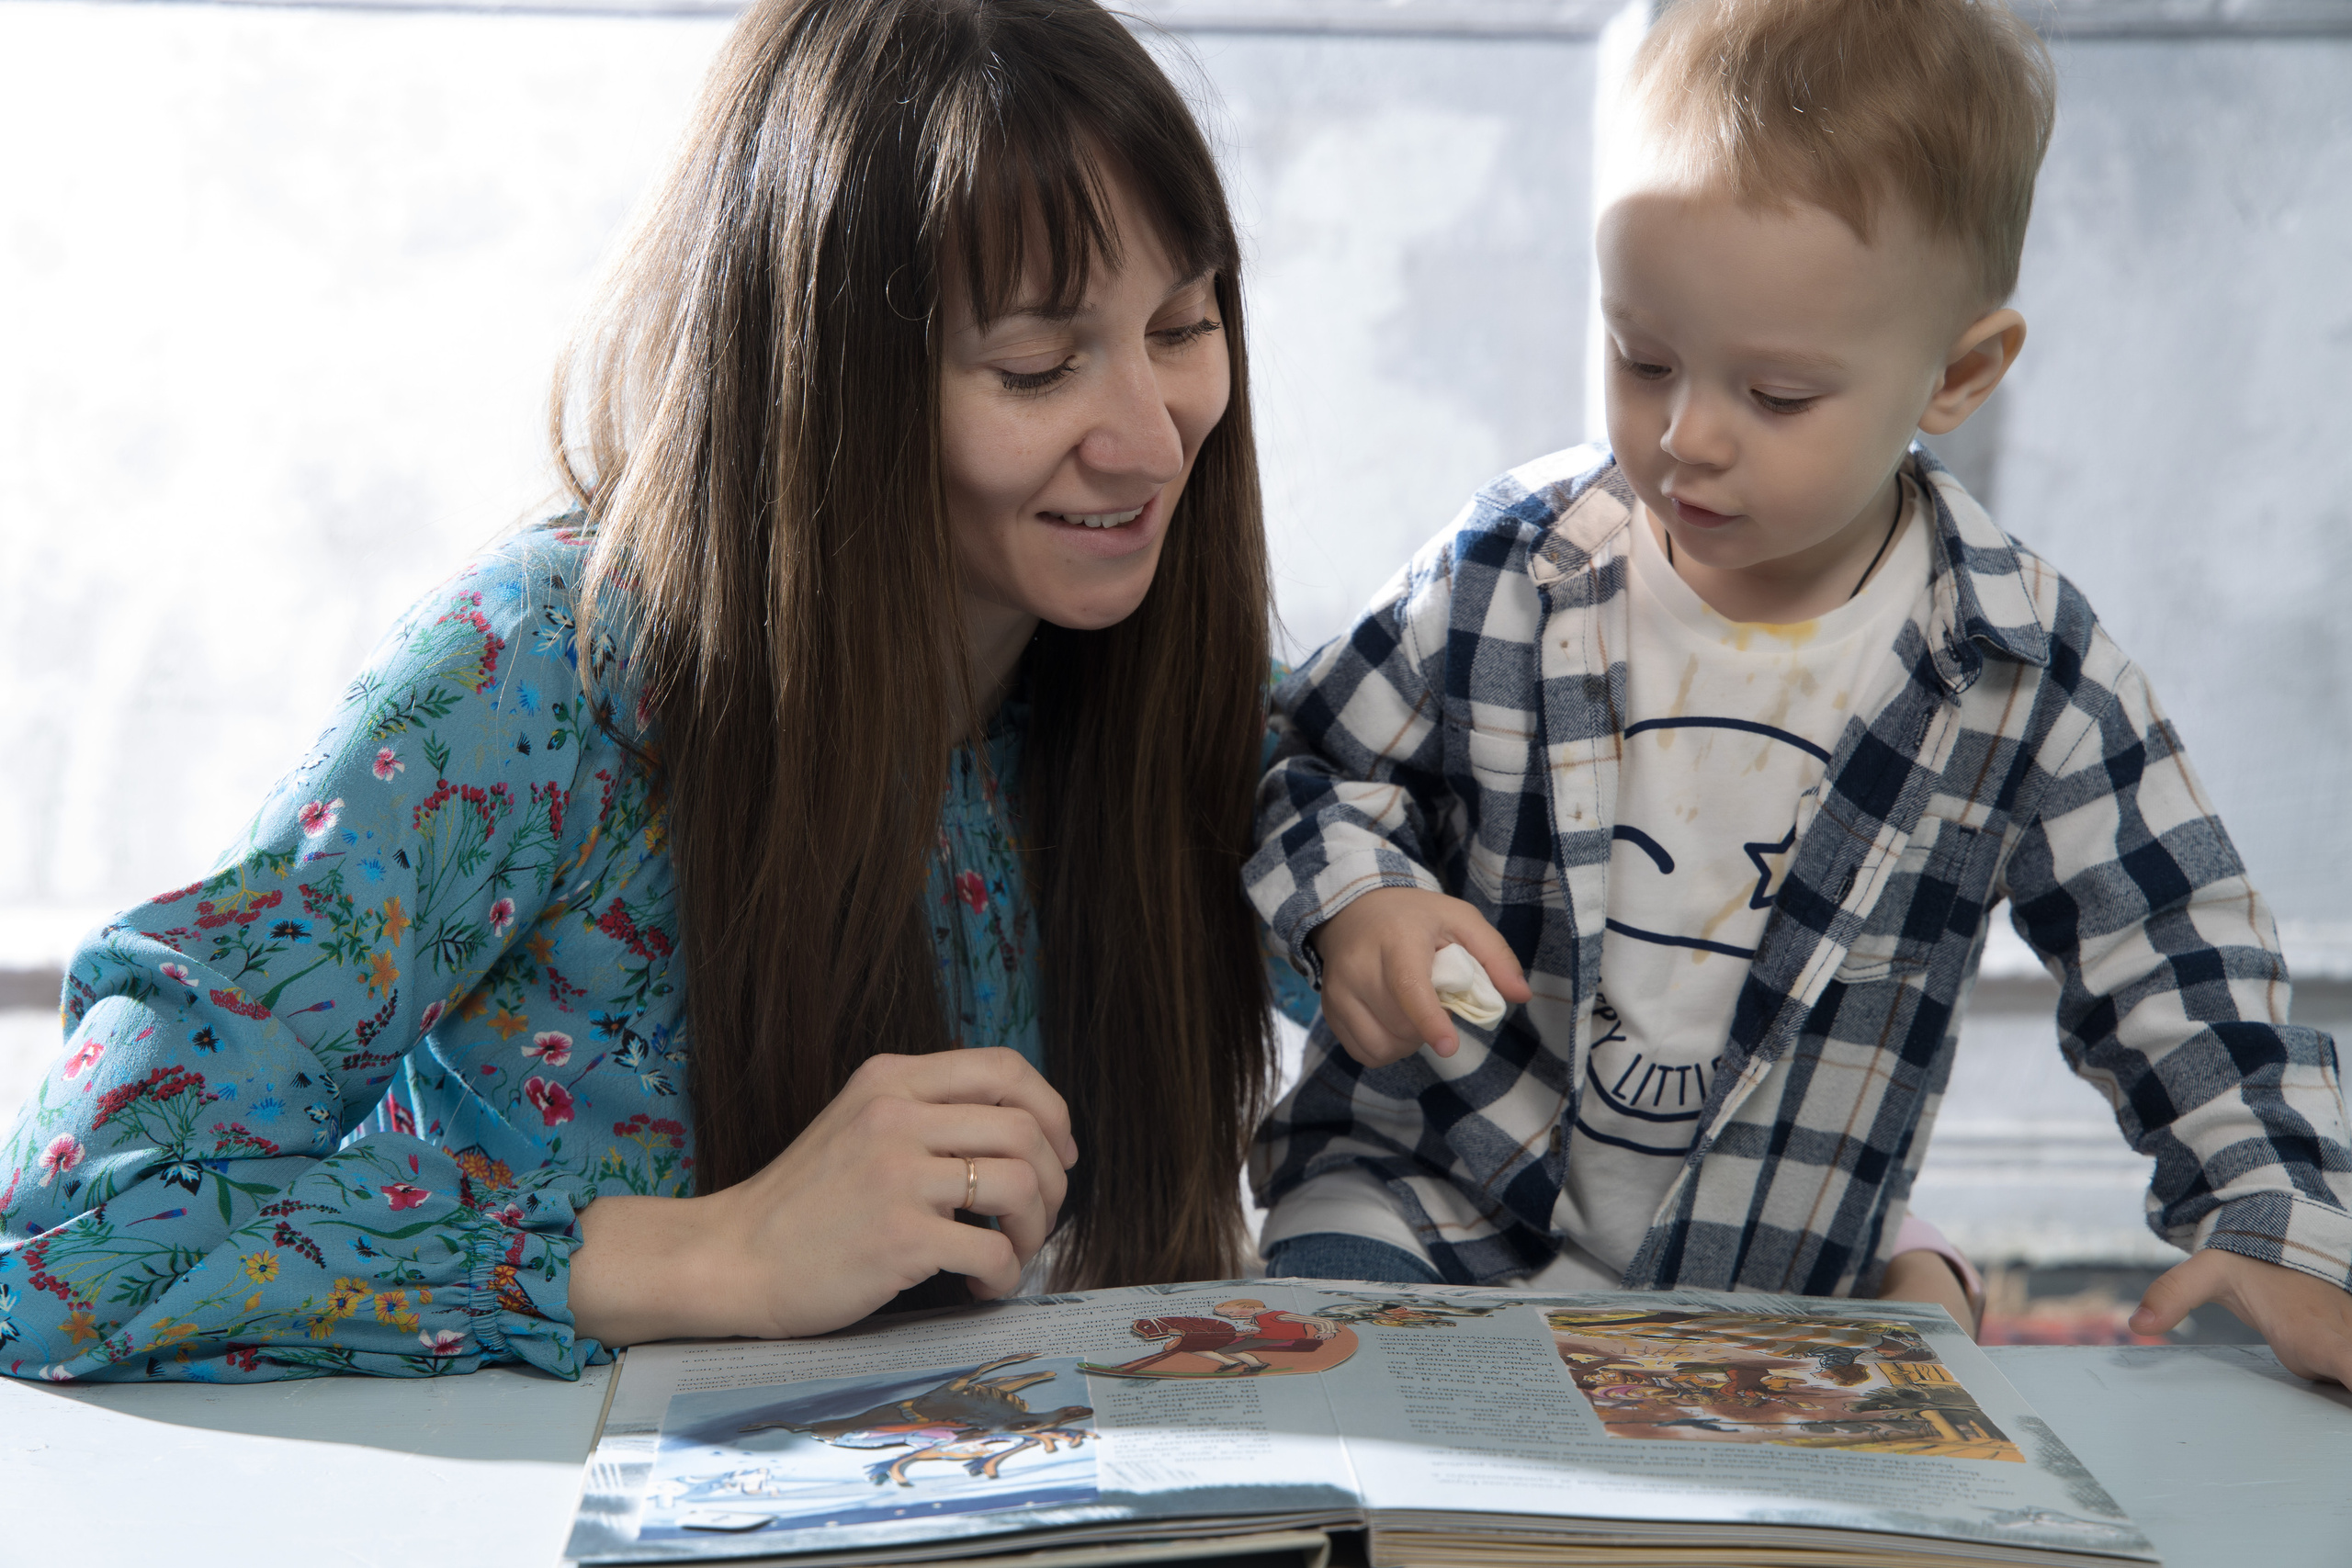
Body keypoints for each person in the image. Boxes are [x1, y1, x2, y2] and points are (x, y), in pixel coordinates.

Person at [0, 0, 1297, 1382]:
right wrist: (722, 1252)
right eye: (1036, 366)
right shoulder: (537, 675)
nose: (1156, 442)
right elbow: (80, 1227)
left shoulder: (1178, 688)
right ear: (823, 384)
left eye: (1182, 325)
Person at [1245, 0, 2352, 1382]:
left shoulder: (2019, 666)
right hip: (1430, 1197)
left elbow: (2172, 950)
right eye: (1642, 358)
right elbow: (1305, 765)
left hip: (1766, 1273)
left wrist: (2280, 1211)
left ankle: (1909, 1274)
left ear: (1958, 373)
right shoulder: (1508, 570)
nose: (1683, 436)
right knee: (1332, 1397)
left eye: (1774, 396)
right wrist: (1360, 895)